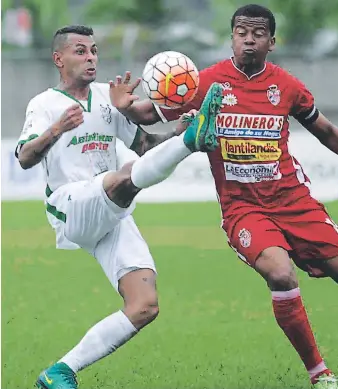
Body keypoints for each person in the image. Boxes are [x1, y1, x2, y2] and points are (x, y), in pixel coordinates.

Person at [110, 4, 338, 389]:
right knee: (280, 274)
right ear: (231, 37)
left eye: (258, 33)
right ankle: (320, 374)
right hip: (243, 208)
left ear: (272, 42)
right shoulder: (206, 82)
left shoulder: (288, 86)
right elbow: (149, 114)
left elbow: (326, 132)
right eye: (242, 32)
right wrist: (124, 106)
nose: (249, 39)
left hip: (293, 200)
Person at [15, 25, 224, 389]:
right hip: (71, 205)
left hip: (112, 209)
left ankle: (59, 372)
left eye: (94, 50)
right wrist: (57, 130)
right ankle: (192, 142)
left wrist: (175, 131)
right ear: (58, 59)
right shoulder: (44, 104)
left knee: (144, 305)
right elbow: (24, 157)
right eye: (80, 51)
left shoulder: (106, 97)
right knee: (123, 177)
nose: (91, 57)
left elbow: (144, 145)